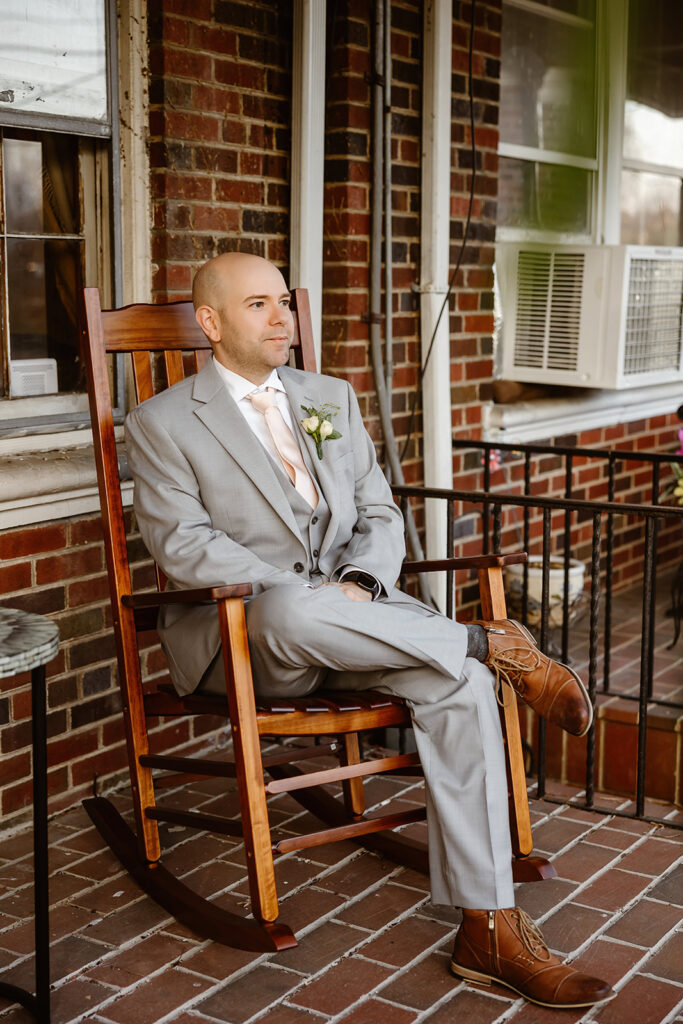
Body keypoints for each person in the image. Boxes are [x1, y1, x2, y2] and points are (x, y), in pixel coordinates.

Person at [125, 252, 614, 1010]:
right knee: (296, 610)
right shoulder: (161, 422)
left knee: (458, 683)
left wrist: (357, 585)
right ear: (212, 323)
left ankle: (489, 929)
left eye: (283, 301)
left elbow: (380, 513)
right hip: (253, 640)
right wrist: (313, 593)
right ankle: (499, 645)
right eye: (258, 305)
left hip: (358, 623)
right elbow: (183, 546)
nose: (281, 317)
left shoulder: (331, 398)